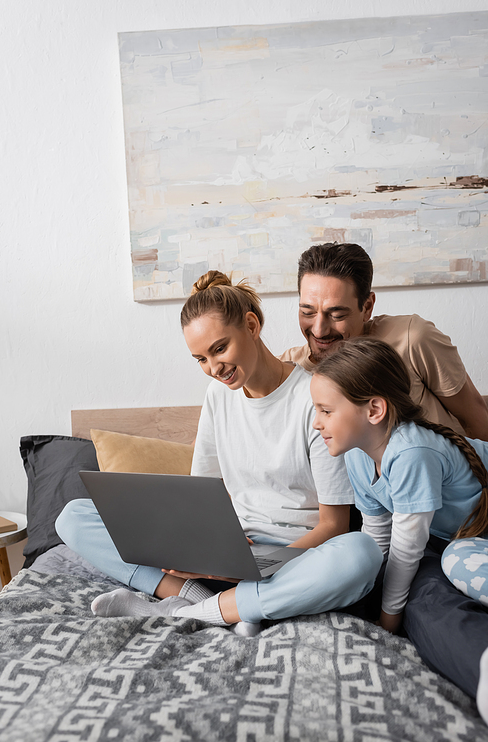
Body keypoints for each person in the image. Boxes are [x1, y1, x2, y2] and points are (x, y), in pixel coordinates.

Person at [56, 272, 382, 634]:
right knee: (74, 516)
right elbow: (203, 495)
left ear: (252, 325)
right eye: (200, 359)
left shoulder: (314, 398)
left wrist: (259, 566)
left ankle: (199, 611)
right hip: (231, 548)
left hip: (293, 559)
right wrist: (199, 548)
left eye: (219, 349)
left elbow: (333, 526)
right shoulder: (218, 397)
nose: (213, 369)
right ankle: (201, 597)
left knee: (361, 554)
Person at [310, 336, 488, 707]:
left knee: (441, 573)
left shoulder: (411, 452)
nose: (316, 423)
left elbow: (406, 551)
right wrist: (369, 594)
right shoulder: (358, 455)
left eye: (326, 411)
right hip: (444, 543)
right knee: (423, 600)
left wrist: (388, 622)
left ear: (374, 409)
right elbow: (376, 534)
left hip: (467, 539)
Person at [280, 242, 488, 440]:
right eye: (307, 312)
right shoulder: (288, 369)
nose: (319, 330)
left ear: (367, 307)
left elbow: (478, 420)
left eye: (337, 315)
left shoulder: (412, 339)